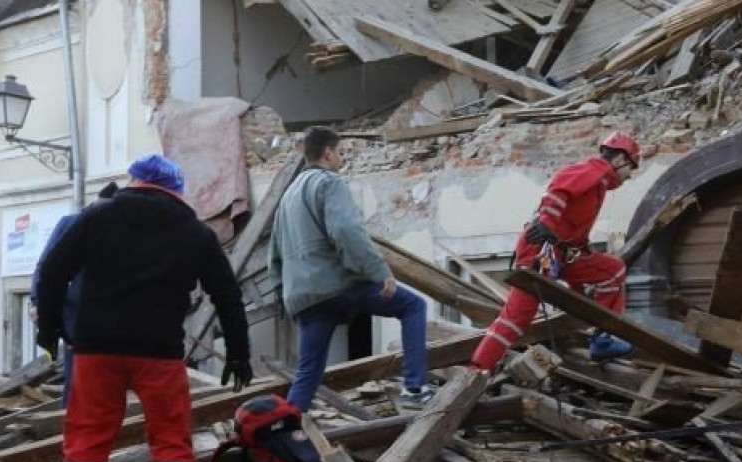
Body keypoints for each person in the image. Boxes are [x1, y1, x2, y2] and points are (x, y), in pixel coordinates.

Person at [36, 154, 252, 462]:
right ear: (176, 190)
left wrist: (50, 332)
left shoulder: (96, 218)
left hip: (97, 350)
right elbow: (227, 295)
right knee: (172, 443)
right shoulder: (195, 232)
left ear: (134, 181)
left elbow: (51, 271)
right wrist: (238, 353)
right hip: (159, 353)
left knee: (87, 443)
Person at [270, 126, 433, 412]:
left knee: (308, 373)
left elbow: (275, 257)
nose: (341, 159)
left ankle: (287, 428)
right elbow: (346, 230)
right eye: (340, 152)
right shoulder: (329, 182)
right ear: (328, 152)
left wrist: (288, 297)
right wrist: (379, 271)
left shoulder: (286, 197)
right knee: (413, 307)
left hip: (304, 298)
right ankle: (415, 388)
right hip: (336, 286)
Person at [469, 133, 641, 372]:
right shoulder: (594, 169)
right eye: (631, 166)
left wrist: (579, 290)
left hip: (561, 253)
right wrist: (548, 222)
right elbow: (559, 188)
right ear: (621, 159)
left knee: (612, 270)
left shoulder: (598, 183)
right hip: (541, 249)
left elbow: (576, 232)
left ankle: (602, 339)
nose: (630, 175)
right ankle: (477, 369)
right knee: (516, 318)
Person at [30, 181, 118, 407]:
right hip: (77, 320)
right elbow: (46, 266)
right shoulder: (72, 224)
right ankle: (70, 430)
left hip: (110, 321)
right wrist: (37, 302)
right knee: (78, 383)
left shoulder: (124, 229)